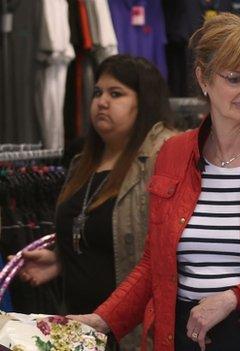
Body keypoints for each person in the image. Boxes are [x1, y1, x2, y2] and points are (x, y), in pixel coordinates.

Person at [70, 13, 240, 351]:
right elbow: (155, 264)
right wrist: (103, 320)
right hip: (180, 334)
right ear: (203, 78)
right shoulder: (172, 154)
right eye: (235, 78)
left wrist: (235, 298)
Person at [16, 54, 178, 350]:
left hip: (134, 332)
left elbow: (163, 252)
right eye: (97, 93)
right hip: (80, 331)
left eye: (116, 94)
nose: (102, 101)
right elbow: (98, 235)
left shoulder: (163, 157)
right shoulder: (82, 163)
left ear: (144, 103)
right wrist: (62, 259)